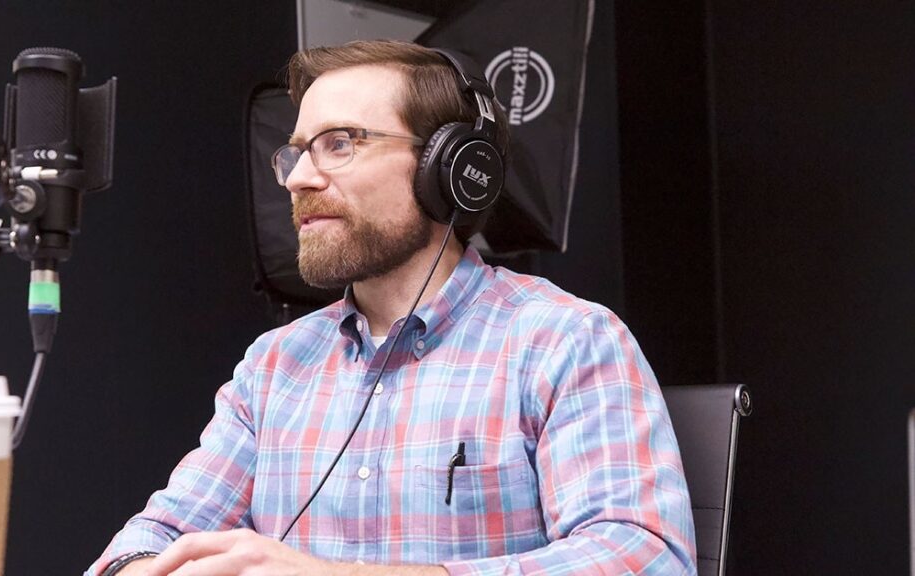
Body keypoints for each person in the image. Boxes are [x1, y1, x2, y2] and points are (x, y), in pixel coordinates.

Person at [87, 39, 696, 576]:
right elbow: (148, 541)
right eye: (297, 151)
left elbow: (643, 559)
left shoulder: (565, 341)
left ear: (452, 169)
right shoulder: (274, 367)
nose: (298, 177)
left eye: (340, 143)